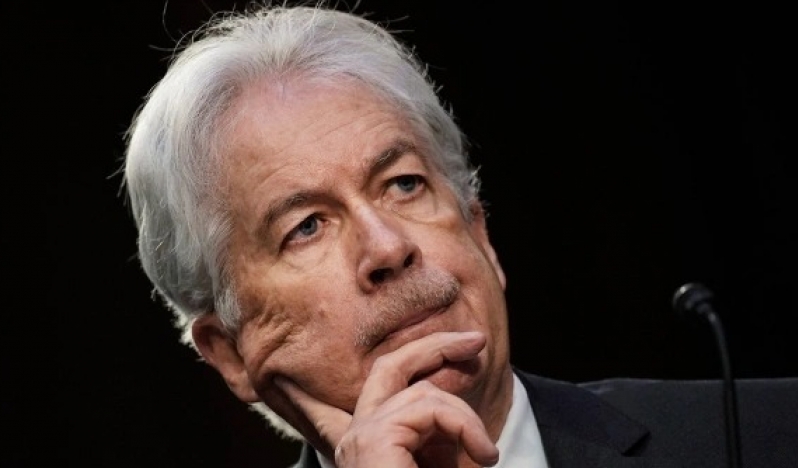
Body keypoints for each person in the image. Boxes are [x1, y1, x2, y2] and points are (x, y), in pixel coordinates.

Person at [120, 2, 797, 467]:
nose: (389, 248)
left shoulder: (770, 437)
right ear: (232, 353)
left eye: (403, 184)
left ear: (480, 231)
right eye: (307, 227)